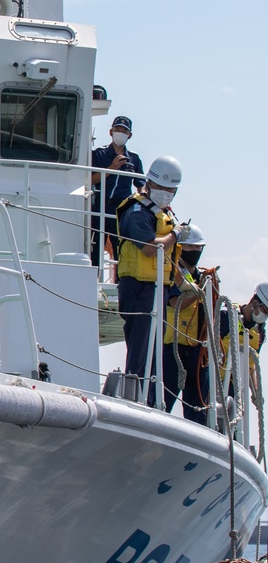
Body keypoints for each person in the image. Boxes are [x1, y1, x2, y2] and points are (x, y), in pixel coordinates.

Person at [116, 155, 184, 404]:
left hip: (157, 288)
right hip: (138, 287)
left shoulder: (158, 212)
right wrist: (175, 235)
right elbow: (149, 248)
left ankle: (151, 398)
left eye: (171, 190)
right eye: (162, 188)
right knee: (140, 347)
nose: (166, 193)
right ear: (150, 183)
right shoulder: (136, 211)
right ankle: (135, 397)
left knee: (156, 347)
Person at [162, 225, 209, 423]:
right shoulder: (173, 273)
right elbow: (175, 303)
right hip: (174, 347)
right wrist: (198, 294)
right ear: (181, 248)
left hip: (197, 350)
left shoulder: (202, 277)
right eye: (192, 249)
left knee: (197, 407)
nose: (196, 253)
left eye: (199, 249)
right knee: (164, 399)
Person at [91, 115, 144, 268]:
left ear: (130, 135)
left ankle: (121, 282)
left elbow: (141, 185)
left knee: (120, 246)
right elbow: (89, 180)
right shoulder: (99, 154)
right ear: (110, 132)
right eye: (117, 129)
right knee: (95, 245)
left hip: (121, 208)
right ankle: (93, 277)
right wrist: (112, 168)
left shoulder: (134, 158)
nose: (120, 133)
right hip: (99, 204)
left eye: (124, 131)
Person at [219, 283, 268, 420]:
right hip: (217, 382)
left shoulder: (259, 333)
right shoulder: (226, 317)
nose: (265, 316)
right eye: (266, 311)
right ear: (255, 302)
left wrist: (256, 392)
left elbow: (251, 365)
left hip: (237, 387)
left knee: (234, 426)